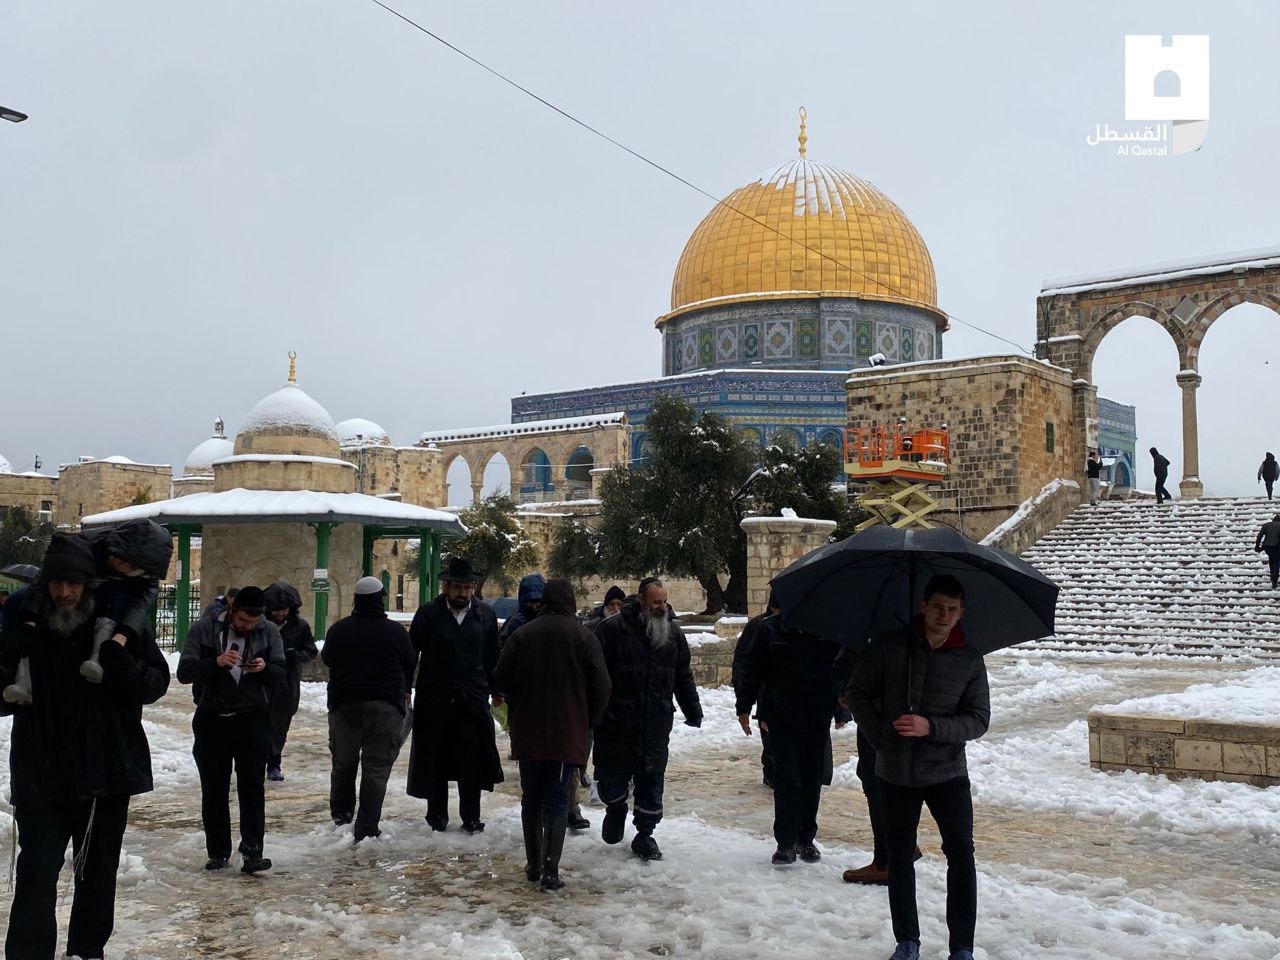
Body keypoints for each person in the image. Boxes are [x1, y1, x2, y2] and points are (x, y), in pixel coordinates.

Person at [0, 533, 170, 960]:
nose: (64, 593)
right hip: (41, 772)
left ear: (89, 583)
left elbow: (156, 684)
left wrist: (124, 668)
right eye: (56, 584)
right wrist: (7, 661)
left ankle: (86, 952)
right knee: (37, 873)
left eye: (73, 583)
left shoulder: (119, 621)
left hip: (105, 772)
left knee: (96, 875)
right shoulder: (24, 620)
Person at [848, 575, 990, 960]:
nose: (945, 616)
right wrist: (881, 735)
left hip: (947, 772)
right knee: (899, 856)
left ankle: (962, 946)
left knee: (961, 854)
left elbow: (978, 719)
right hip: (895, 772)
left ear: (961, 613)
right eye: (938, 607)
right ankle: (906, 939)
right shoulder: (891, 646)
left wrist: (932, 727)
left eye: (953, 610)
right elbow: (856, 693)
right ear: (923, 606)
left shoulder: (969, 658)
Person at [493, 578, 611, 889]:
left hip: (528, 731)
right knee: (559, 800)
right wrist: (588, 720)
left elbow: (499, 677)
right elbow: (602, 684)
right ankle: (550, 869)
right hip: (566, 732)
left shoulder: (522, 634)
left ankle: (533, 864)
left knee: (531, 798)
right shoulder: (584, 638)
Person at [177, 585, 286, 874]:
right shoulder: (204, 629)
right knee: (214, 788)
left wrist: (264, 668)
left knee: (252, 787)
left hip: (253, 718)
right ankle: (218, 852)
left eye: (254, 622)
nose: (249, 627)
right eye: (243, 621)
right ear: (231, 610)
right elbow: (185, 672)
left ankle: (252, 851)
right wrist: (214, 663)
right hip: (212, 718)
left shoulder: (268, 632)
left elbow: (281, 675)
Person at [593, 577, 702, 862]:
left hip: (655, 721)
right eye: (656, 602)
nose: (662, 607)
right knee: (612, 777)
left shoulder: (673, 634)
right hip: (618, 721)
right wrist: (596, 712)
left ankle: (645, 833)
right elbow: (595, 676)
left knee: (651, 779)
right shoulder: (611, 630)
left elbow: (682, 675)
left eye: (664, 601)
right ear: (641, 600)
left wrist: (693, 710)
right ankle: (615, 807)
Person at [735, 611, 846, 865]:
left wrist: (841, 709)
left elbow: (839, 672)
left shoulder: (828, 629)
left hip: (816, 714)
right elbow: (752, 669)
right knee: (787, 779)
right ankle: (785, 842)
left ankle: (806, 838)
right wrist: (744, 705)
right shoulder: (769, 630)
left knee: (811, 777)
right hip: (780, 714)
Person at [406, 557, 504, 833]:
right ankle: (436, 815)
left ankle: (471, 816)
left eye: (468, 587)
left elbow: (492, 657)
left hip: (471, 699)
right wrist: (405, 688)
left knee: (470, 759)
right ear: (446, 587)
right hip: (435, 698)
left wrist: (497, 691)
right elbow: (411, 654)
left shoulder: (484, 615)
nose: (463, 593)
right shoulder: (428, 614)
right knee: (435, 756)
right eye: (458, 587)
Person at [322, 576, 417, 842]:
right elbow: (410, 662)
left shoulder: (339, 630)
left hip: (345, 707)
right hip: (386, 707)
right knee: (376, 768)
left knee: (343, 764)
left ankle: (342, 818)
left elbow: (328, 659)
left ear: (355, 600)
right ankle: (367, 827)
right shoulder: (395, 632)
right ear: (381, 598)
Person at [262, 581, 318, 782]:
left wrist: (295, 655)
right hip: (262, 680)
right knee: (259, 722)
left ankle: (274, 762)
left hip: (286, 683)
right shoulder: (260, 625)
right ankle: (257, 759)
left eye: (283, 610)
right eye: (275, 610)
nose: (279, 614)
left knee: (279, 725)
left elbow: (310, 650)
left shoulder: (300, 626)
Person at [732, 595, 781, 788]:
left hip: (797, 703)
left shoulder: (803, 627)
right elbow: (745, 666)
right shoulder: (759, 627)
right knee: (771, 742)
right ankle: (772, 774)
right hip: (767, 696)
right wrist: (743, 703)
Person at [497, 573, 545, 651]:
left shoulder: (549, 621)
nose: (534, 606)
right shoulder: (514, 622)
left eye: (537, 601)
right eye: (530, 602)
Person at [1255, 512, 1280, 589]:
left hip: (1267, 547)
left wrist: (1257, 547)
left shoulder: (1266, 525)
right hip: (1277, 546)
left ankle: (1272, 575)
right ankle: (1274, 580)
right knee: (1276, 562)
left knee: (1271, 559)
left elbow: (1259, 536)